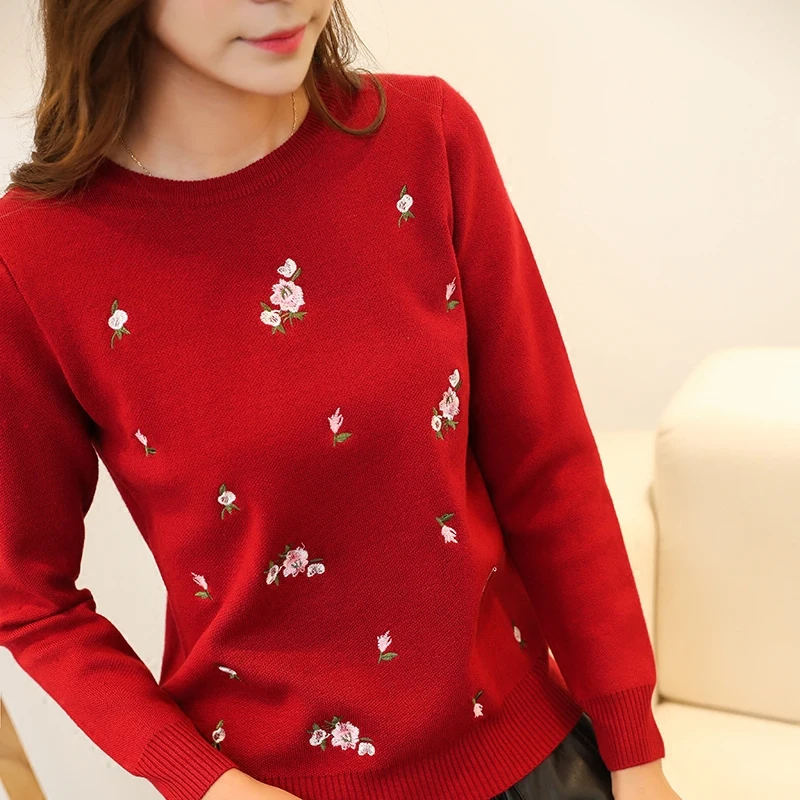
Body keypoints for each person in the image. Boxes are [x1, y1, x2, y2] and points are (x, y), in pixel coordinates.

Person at [0, 1, 683, 799]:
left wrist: (635, 752)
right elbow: (28, 598)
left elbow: (547, 466)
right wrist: (210, 785)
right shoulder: (35, 258)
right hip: (272, 785)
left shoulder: (428, 137)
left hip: (536, 761)